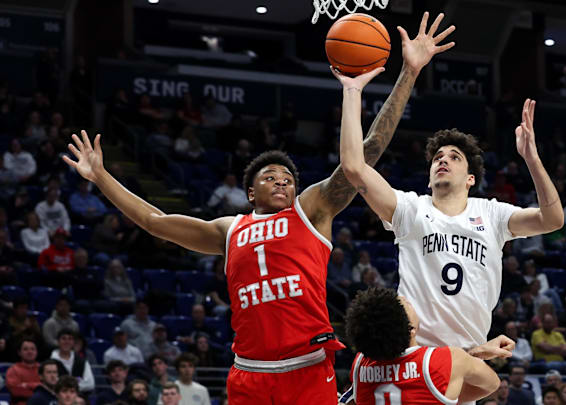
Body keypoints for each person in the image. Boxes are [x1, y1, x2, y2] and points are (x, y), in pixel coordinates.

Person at [62, 10, 452, 405]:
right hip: (248, 373)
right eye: (270, 176)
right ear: (250, 193)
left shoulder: (310, 211)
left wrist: (409, 72)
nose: (282, 180)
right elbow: (154, 221)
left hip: (307, 367)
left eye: (288, 177)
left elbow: (366, 152)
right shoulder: (229, 229)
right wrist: (101, 178)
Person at [334, 44, 563, 363]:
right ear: (428, 177)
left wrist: (532, 158)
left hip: (468, 360)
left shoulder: (492, 213)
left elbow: (552, 220)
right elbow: (354, 167)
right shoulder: (411, 209)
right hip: (411, 356)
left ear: (471, 179)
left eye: (455, 157)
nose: (444, 160)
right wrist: (353, 90)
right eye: (438, 157)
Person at [342, 288, 504, 405]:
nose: (405, 299)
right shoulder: (447, 360)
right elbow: (492, 384)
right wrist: (471, 357)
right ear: (410, 330)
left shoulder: (360, 364)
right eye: (404, 305)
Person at [50, 329, 95, 394]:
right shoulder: (50, 362)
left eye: (70, 339)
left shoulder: (82, 361)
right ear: (58, 341)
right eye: (63, 338)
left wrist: (67, 388)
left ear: (73, 342)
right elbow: (51, 384)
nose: (67, 342)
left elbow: (90, 384)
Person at [5, 339, 41, 405]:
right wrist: (39, 389)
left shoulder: (43, 368)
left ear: (37, 352)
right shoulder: (13, 370)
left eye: (32, 349)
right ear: (19, 352)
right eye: (25, 349)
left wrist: (27, 385)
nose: (29, 352)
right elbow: (15, 391)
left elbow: (50, 388)